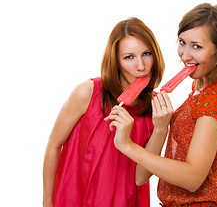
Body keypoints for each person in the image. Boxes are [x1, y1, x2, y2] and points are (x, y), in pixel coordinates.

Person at [107, 3, 217, 206]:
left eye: (197, 46)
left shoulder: (216, 96)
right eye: (182, 42)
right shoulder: (201, 89)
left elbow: (192, 178)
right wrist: (160, 128)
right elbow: (140, 178)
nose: (185, 55)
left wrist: (126, 145)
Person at [43, 17, 166, 207]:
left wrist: (160, 129)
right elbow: (53, 145)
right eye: (129, 57)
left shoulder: (157, 109)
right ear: (116, 61)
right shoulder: (87, 92)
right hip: (76, 199)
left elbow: (141, 178)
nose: (141, 66)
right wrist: (47, 203)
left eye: (147, 53)